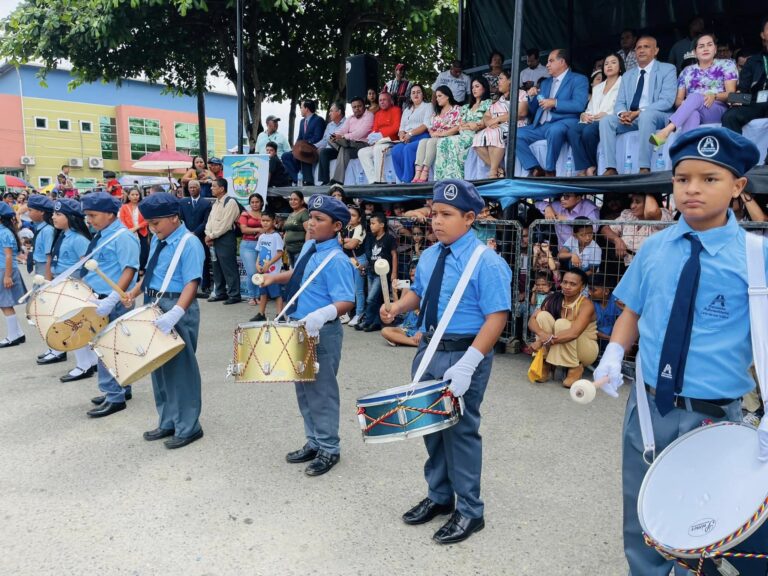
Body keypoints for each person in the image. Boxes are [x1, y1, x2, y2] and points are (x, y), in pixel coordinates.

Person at [592, 127, 763, 576]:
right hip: (649, 407)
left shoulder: (755, 256)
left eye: (710, 179)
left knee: (704, 518)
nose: (693, 189)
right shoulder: (655, 248)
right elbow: (633, 309)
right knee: (643, 510)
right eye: (683, 178)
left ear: (738, 187)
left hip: (714, 415)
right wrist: (613, 355)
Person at [379, 179, 512, 545]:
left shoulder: (487, 262)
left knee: (460, 432)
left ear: (469, 218)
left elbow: (496, 317)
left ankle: (470, 510)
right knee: (430, 427)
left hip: (464, 353)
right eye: (435, 213)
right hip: (430, 350)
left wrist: (469, 363)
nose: (437, 221)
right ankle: (439, 496)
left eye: (447, 215)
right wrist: (397, 307)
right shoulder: (432, 254)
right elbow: (419, 293)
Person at [258, 194, 355, 476]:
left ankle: (329, 448)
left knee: (321, 391)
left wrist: (322, 314)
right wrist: (275, 277)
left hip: (320, 330)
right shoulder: (311, 247)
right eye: (311, 218)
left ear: (337, 226)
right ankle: (314, 440)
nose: (310, 224)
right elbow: (298, 274)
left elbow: (346, 301)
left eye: (318, 220)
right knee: (303, 389)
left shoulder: (336, 260)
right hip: (298, 327)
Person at [120, 193, 205, 449]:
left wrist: (177, 312)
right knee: (158, 367)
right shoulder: (160, 239)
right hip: (153, 302)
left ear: (173, 217)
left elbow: (192, 281)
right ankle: (168, 420)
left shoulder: (189, 243)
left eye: (156, 223)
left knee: (181, 370)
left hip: (175, 304)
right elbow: (151, 272)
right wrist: (134, 293)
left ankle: (189, 426)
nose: (152, 228)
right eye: (149, 223)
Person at [80, 192, 140, 418]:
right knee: (112, 347)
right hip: (100, 297)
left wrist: (112, 298)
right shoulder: (103, 234)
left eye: (93, 215)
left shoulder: (123, 237)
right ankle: (121, 389)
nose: (89, 220)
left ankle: (114, 396)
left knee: (106, 347)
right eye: (87, 215)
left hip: (112, 299)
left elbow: (130, 269)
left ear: (109, 214)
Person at [599, 36, 677, 175]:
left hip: (657, 114)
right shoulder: (628, 75)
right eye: (638, 47)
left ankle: (644, 167)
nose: (641, 50)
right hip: (631, 117)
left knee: (646, 116)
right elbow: (620, 102)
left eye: (646, 47)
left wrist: (640, 112)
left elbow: (667, 101)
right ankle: (610, 168)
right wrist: (622, 114)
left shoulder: (667, 69)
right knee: (606, 121)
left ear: (656, 51)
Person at [650, 33, 738, 146]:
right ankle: (685, 153)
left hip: (718, 108)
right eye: (701, 46)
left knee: (695, 97)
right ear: (695, 52)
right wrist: (691, 103)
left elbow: (731, 94)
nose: (705, 48)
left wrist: (714, 96)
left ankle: (667, 130)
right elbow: (678, 101)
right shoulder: (686, 71)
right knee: (692, 114)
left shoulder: (727, 64)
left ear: (715, 49)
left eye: (709, 45)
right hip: (694, 109)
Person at [517, 49, 590, 177]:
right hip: (541, 125)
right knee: (515, 134)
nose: (547, 65)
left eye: (551, 61)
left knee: (555, 130)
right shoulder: (545, 83)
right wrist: (532, 97)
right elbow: (534, 110)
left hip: (564, 122)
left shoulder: (579, 79)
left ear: (562, 62)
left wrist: (555, 103)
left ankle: (550, 170)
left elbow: (579, 105)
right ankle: (535, 168)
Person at [49, 198, 100, 382]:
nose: (53, 217)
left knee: (73, 325)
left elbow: (87, 267)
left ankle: (84, 365)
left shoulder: (78, 239)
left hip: (74, 288)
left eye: (58, 214)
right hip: (63, 286)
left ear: (70, 217)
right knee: (73, 324)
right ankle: (89, 361)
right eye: (54, 213)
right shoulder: (63, 235)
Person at [528, 268, 598, 387]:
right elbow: (532, 320)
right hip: (557, 341)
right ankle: (545, 363)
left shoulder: (586, 304)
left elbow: (573, 333)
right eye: (565, 282)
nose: (567, 286)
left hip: (586, 349)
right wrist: (541, 333)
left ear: (582, 286)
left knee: (562, 324)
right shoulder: (554, 298)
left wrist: (541, 341)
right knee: (543, 316)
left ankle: (575, 367)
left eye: (573, 284)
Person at [567, 53, 625, 176]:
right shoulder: (598, 87)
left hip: (610, 119)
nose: (609, 66)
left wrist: (607, 114)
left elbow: (625, 106)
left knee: (588, 132)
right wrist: (584, 115)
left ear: (620, 67)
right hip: (593, 119)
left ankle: (593, 167)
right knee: (572, 131)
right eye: (606, 63)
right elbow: (590, 108)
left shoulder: (624, 84)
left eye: (613, 62)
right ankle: (584, 166)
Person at [434, 77, 492, 180]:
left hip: (477, 134)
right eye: (472, 87)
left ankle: (457, 179)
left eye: (477, 86)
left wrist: (471, 125)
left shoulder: (489, 103)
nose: (474, 89)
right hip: (463, 133)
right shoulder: (466, 107)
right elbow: (461, 124)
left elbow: (483, 123)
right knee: (442, 142)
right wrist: (470, 124)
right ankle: (442, 179)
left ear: (484, 88)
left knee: (452, 141)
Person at [472, 70, 527, 179]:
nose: (498, 82)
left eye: (501, 79)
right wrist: (489, 123)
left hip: (516, 126)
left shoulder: (520, 93)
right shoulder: (499, 100)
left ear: (510, 81)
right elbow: (487, 116)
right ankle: (498, 169)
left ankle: (492, 173)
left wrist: (497, 119)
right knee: (477, 139)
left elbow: (521, 112)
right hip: (498, 127)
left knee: (495, 132)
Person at [721, 17, 768, 135]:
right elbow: (743, 90)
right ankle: (737, 152)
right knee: (730, 116)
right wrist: (734, 99)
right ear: (762, 35)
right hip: (755, 101)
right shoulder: (753, 61)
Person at [601, 193, 673, 266]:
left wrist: (648, 191)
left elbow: (652, 212)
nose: (632, 206)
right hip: (629, 267)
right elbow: (605, 229)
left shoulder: (662, 215)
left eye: (637, 202)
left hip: (653, 266)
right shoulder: (628, 215)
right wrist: (616, 240)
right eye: (632, 201)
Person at [412, 86, 461, 183]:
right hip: (436, 136)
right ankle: (417, 173)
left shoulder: (456, 109)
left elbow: (458, 126)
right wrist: (433, 133)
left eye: (439, 96)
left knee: (431, 142)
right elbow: (430, 127)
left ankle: (425, 172)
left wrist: (442, 134)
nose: (437, 99)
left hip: (448, 136)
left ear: (447, 96)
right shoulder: (437, 112)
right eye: (436, 96)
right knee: (422, 142)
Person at [204, 178, 242, 305]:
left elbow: (225, 225)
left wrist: (211, 236)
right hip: (214, 238)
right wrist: (208, 234)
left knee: (228, 267)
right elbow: (210, 221)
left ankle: (234, 294)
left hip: (225, 238)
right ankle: (220, 293)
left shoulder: (230, 202)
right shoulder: (216, 203)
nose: (211, 188)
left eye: (214, 186)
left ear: (222, 188)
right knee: (216, 267)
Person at [320, 97, 374, 185]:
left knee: (343, 146)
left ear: (364, 106)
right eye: (354, 107)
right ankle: (338, 181)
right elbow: (342, 130)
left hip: (362, 144)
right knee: (332, 138)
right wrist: (336, 135)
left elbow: (360, 133)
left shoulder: (369, 115)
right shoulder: (350, 118)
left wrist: (343, 137)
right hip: (349, 145)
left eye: (359, 106)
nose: (357, 109)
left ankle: (336, 180)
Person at [358, 213, 397, 333]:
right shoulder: (371, 238)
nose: (371, 226)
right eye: (370, 223)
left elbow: (394, 255)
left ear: (382, 225)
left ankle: (368, 320)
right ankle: (375, 322)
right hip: (371, 271)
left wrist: (394, 272)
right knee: (375, 299)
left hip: (383, 274)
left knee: (370, 299)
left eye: (373, 223)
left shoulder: (389, 238)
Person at [389, 84, 434, 183]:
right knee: (396, 150)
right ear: (410, 96)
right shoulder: (406, 110)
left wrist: (410, 134)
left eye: (418, 92)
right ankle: (402, 179)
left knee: (408, 149)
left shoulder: (428, 106)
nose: (416, 94)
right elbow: (401, 127)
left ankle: (407, 179)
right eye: (413, 93)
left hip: (422, 137)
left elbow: (426, 125)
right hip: (407, 137)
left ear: (423, 94)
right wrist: (402, 136)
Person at [357, 92, 402, 183]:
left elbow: (396, 127)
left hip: (392, 141)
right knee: (362, 152)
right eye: (380, 100)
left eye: (384, 100)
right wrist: (372, 137)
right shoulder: (378, 114)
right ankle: (373, 181)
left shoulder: (396, 110)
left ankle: (380, 180)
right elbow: (375, 129)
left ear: (390, 101)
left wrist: (381, 134)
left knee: (378, 149)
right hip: (379, 142)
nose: (382, 102)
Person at [179, 179, 212, 297]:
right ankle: (188, 286)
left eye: (194, 187)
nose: (192, 189)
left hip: (201, 236)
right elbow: (180, 219)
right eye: (190, 187)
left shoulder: (206, 203)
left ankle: (205, 286)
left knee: (203, 260)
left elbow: (206, 221)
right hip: (186, 236)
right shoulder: (183, 202)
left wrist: (195, 232)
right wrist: (187, 233)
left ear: (199, 189)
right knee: (187, 260)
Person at [249, 209, 283, 321]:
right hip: (262, 271)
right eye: (263, 220)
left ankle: (280, 315)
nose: (265, 223)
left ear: (273, 221)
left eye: (268, 221)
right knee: (263, 293)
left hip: (273, 272)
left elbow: (280, 253)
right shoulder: (262, 236)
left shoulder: (276, 236)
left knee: (276, 293)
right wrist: (257, 263)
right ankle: (261, 314)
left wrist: (269, 263)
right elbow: (259, 252)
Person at [0, 203, 26, 348]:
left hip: (5, 270)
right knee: (4, 304)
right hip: (4, 269)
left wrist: (7, 276)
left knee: (5, 304)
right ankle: (18, 333)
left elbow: (9, 256)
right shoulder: (4, 231)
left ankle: (13, 336)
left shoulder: (4, 233)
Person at [282, 101, 326, 186]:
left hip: (312, 149)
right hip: (302, 147)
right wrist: (295, 148)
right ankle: (297, 180)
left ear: (306, 109)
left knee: (303, 152)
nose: (300, 110)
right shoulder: (302, 121)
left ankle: (308, 181)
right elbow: (299, 137)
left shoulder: (318, 120)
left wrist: (304, 144)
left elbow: (318, 137)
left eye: (301, 107)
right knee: (286, 156)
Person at [534, 192, 600, 248]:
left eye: (566, 196)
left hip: (585, 252)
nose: (562, 199)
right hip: (564, 252)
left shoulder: (588, 206)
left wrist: (568, 220)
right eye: (561, 196)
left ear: (578, 198)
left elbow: (594, 227)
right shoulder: (558, 206)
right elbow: (536, 203)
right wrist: (547, 207)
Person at [342, 205, 367, 327]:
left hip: (358, 260)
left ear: (359, 218)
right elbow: (340, 241)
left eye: (353, 215)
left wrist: (344, 241)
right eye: (349, 215)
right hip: (347, 260)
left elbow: (352, 245)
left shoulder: (360, 228)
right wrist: (346, 241)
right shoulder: (345, 227)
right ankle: (345, 313)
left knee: (359, 289)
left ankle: (359, 313)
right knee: (348, 287)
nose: (350, 218)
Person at [238, 193, 264, 306]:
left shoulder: (264, 215)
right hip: (248, 245)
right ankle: (251, 296)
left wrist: (264, 231)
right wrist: (259, 229)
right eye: (252, 202)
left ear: (261, 202)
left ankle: (259, 296)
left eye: (257, 202)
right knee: (252, 272)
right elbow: (243, 229)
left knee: (260, 271)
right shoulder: (245, 214)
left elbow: (270, 226)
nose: (254, 204)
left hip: (263, 245)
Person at [119, 188, 149, 275]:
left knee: (144, 251)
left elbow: (147, 220)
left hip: (142, 231)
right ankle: (133, 269)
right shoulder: (124, 207)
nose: (135, 197)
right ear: (128, 196)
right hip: (129, 232)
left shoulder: (143, 206)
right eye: (132, 195)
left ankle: (142, 268)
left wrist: (137, 227)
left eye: (137, 194)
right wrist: (129, 229)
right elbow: (122, 220)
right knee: (132, 251)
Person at [283, 191, 310, 267]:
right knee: (293, 274)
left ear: (302, 201)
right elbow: (287, 231)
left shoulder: (304, 213)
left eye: (295, 199)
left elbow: (309, 231)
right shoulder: (291, 214)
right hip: (289, 250)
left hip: (299, 250)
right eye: (291, 199)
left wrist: (306, 248)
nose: (292, 201)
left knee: (298, 274)